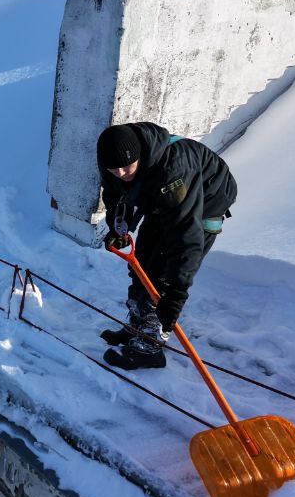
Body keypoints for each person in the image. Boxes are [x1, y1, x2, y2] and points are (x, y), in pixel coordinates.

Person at [96, 121, 237, 370]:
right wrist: (119, 227)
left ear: (139, 156)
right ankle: (138, 327)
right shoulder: (115, 162)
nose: (120, 173)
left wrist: (176, 293)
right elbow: (115, 195)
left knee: (161, 276)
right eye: (113, 169)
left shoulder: (173, 171)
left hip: (203, 207)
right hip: (162, 203)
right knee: (142, 266)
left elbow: (186, 236)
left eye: (126, 167)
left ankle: (151, 346)